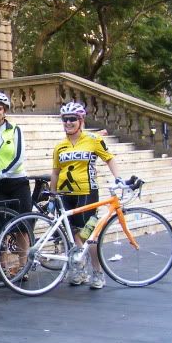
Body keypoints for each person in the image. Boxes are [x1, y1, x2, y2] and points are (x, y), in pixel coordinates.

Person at [50, 102, 121, 289]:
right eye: (65, 119)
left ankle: (98, 272)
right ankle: (80, 269)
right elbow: (56, 172)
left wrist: (118, 179)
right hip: (66, 194)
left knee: (89, 235)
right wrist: (52, 194)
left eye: (72, 119)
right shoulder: (60, 146)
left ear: (81, 120)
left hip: (87, 192)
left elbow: (109, 159)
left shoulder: (93, 139)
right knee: (74, 233)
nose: (68, 122)